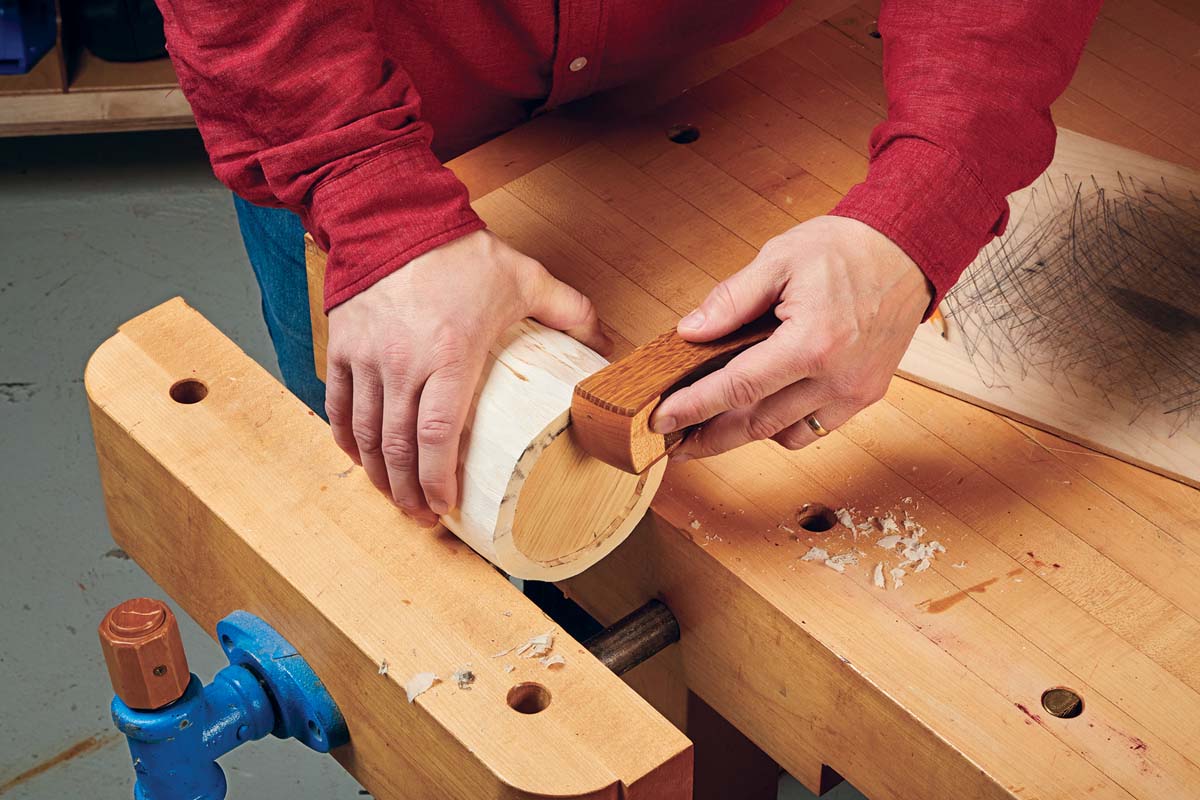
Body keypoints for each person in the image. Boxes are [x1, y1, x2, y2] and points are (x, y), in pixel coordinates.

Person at [157, 1, 1100, 526]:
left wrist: (922, 205)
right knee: (397, 529)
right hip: (353, 128)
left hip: (723, 70)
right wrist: (375, 201)